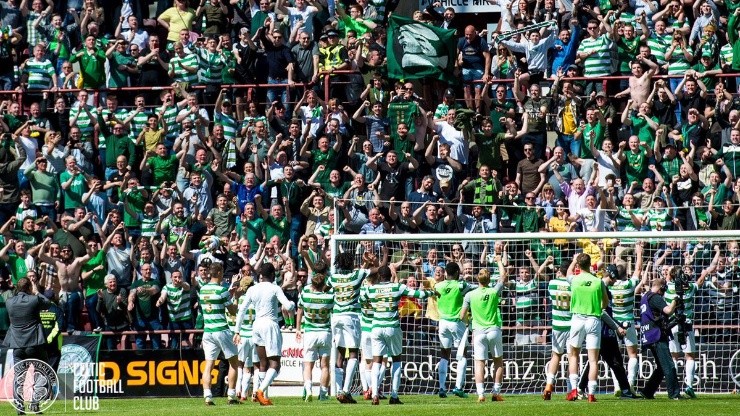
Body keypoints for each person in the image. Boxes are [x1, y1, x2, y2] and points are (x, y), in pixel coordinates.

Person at [360, 265, 435, 405]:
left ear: (379, 276)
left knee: (376, 361)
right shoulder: (397, 287)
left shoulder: (371, 289)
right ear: (390, 275)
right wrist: (432, 293)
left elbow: (361, 300)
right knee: (396, 360)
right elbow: (417, 294)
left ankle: (374, 393)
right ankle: (394, 395)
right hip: (392, 327)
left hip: (375, 327)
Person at [235, 263, 295, 406]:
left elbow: (241, 310)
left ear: (261, 275)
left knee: (262, 363)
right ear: (273, 275)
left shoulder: (252, 289)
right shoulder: (275, 288)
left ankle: (261, 396)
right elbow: (288, 306)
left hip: (256, 326)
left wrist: (237, 331)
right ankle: (260, 391)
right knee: (275, 364)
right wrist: (292, 303)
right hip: (270, 324)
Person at [329, 251, 385, 403]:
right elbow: (380, 270)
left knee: (340, 354)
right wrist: (377, 259)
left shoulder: (333, 277)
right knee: (353, 353)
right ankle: (346, 390)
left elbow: (326, 288)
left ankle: (339, 389)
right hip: (351, 317)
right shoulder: (357, 275)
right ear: (351, 262)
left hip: (336, 317)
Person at [3, 278, 51, 414]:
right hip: (35, 343)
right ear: (29, 287)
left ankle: (19, 407)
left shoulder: (9, 302)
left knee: (19, 376)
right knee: (41, 374)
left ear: (17, 288)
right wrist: (37, 292)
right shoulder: (34, 300)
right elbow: (48, 304)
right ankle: (35, 405)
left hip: (17, 345)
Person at [459, 264, 507, 402]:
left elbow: (462, 315)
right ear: (489, 279)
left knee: (479, 363)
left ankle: (480, 394)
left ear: (477, 278)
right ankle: (496, 392)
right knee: (498, 361)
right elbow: (503, 276)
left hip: (478, 332)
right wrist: (498, 261)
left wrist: (469, 322)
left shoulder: (470, 294)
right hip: (494, 330)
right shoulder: (493, 291)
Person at [566, 253, 608, 402]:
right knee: (593, 360)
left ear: (578, 265)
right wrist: (597, 308)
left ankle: (573, 390)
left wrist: (573, 260)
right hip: (593, 319)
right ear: (590, 264)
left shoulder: (574, 280)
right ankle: (591, 394)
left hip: (577, 319)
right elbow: (605, 302)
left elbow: (568, 273)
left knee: (573, 355)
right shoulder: (598, 281)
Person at [198, 262, 240, 405]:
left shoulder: (203, 290)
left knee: (209, 365)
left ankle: (208, 395)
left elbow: (219, 300)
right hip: (221, 329)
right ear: (220, 272)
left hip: (208, 331)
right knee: (234, 363)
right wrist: (235, 297)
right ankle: (231, 396)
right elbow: (232, 310)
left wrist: (230, 291)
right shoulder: (222, 290)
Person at [638, 276, 683, 400]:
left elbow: (657, 317)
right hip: (657, 335)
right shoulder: (655, 297)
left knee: (661, 367)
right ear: (661, 288)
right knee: (668, 365)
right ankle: (674, 394)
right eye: (663, 291)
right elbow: (668, 310)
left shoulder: (645, 298)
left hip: (648, 335)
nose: (663, 294)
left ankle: (647, 391)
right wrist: (676, 299)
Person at [434, 262, 473, 398]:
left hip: (442, 322)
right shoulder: (461, 285)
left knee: (444, 354)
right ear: (457, 272)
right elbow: (473, 288)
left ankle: (442, 388)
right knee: (462, 354)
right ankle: (457, 387)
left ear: (445, 273)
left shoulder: (438, 285)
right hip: (456, 322)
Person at [295, 272, 334, 401]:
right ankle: (323, 393)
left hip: (310, 332)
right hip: (325, 333)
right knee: (324, 365)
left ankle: (308, 389)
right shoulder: (329, 297)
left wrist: (298, 329)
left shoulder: (305, 295)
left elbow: (299, 310)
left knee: (308, 365)